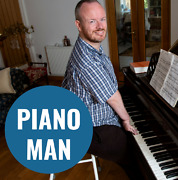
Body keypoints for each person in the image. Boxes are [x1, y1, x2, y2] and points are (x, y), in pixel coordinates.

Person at [62, 0, 139, 178]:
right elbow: (112, 97)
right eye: (92, 21)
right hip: (91, 128)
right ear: (78, 25)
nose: (100, 26)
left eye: (102, 19)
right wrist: (127, 120)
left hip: (96, 115)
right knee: (138, 155)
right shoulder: (85, 59)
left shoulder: (91, 47)